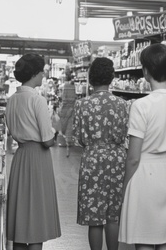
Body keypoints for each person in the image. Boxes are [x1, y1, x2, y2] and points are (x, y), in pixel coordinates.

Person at [118, 44, 166, 250]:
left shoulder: (141, 105)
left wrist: (124, 187)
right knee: (165, 237)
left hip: (144, 174)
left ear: (145, 71)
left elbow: (133, 157)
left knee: (144, 238)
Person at [5, 53, 61, 250]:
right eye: (42, 72)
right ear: (35, 73)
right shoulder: (37, 100)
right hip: (38, 159)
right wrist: (55, 129)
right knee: (37, 218)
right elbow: (47, 140)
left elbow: (11, 131)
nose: (43, 76)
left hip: (20, 158)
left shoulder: (11, 100)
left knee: (21, 217)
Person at [72, 57, 129, 250]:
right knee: (113, 213)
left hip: (93, 159)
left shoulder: (82, 104)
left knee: (94, 214)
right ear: (111, 78)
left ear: (90, 79)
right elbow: (125, 134)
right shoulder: (122, 104)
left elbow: (78, 137)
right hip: (116, 160)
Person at [58, 66, 76, 156]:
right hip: (72, 108)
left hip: (66, 108)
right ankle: (68, 145)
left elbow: (64, 98)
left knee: (66, 127)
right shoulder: (73, 86)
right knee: (70, 127)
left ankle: (68, 146)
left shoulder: (66, 86)